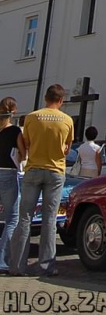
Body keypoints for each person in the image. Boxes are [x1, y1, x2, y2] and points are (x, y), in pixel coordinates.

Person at [10, 84, 74, 277]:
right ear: (61, 101)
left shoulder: (32, 117)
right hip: (55, 171)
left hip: (33, 169)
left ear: (45, 98)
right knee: (49, 219)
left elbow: (26, 142)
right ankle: (47, 266)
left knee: (25, 218)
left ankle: (17, 266)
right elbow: (67, 149)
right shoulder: (67, 120)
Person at [0, 97, 26, 273]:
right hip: (8, 173)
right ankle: (2, 260)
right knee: (12, 218)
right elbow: (23, 154)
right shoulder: (15, 131)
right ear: (13, 111)